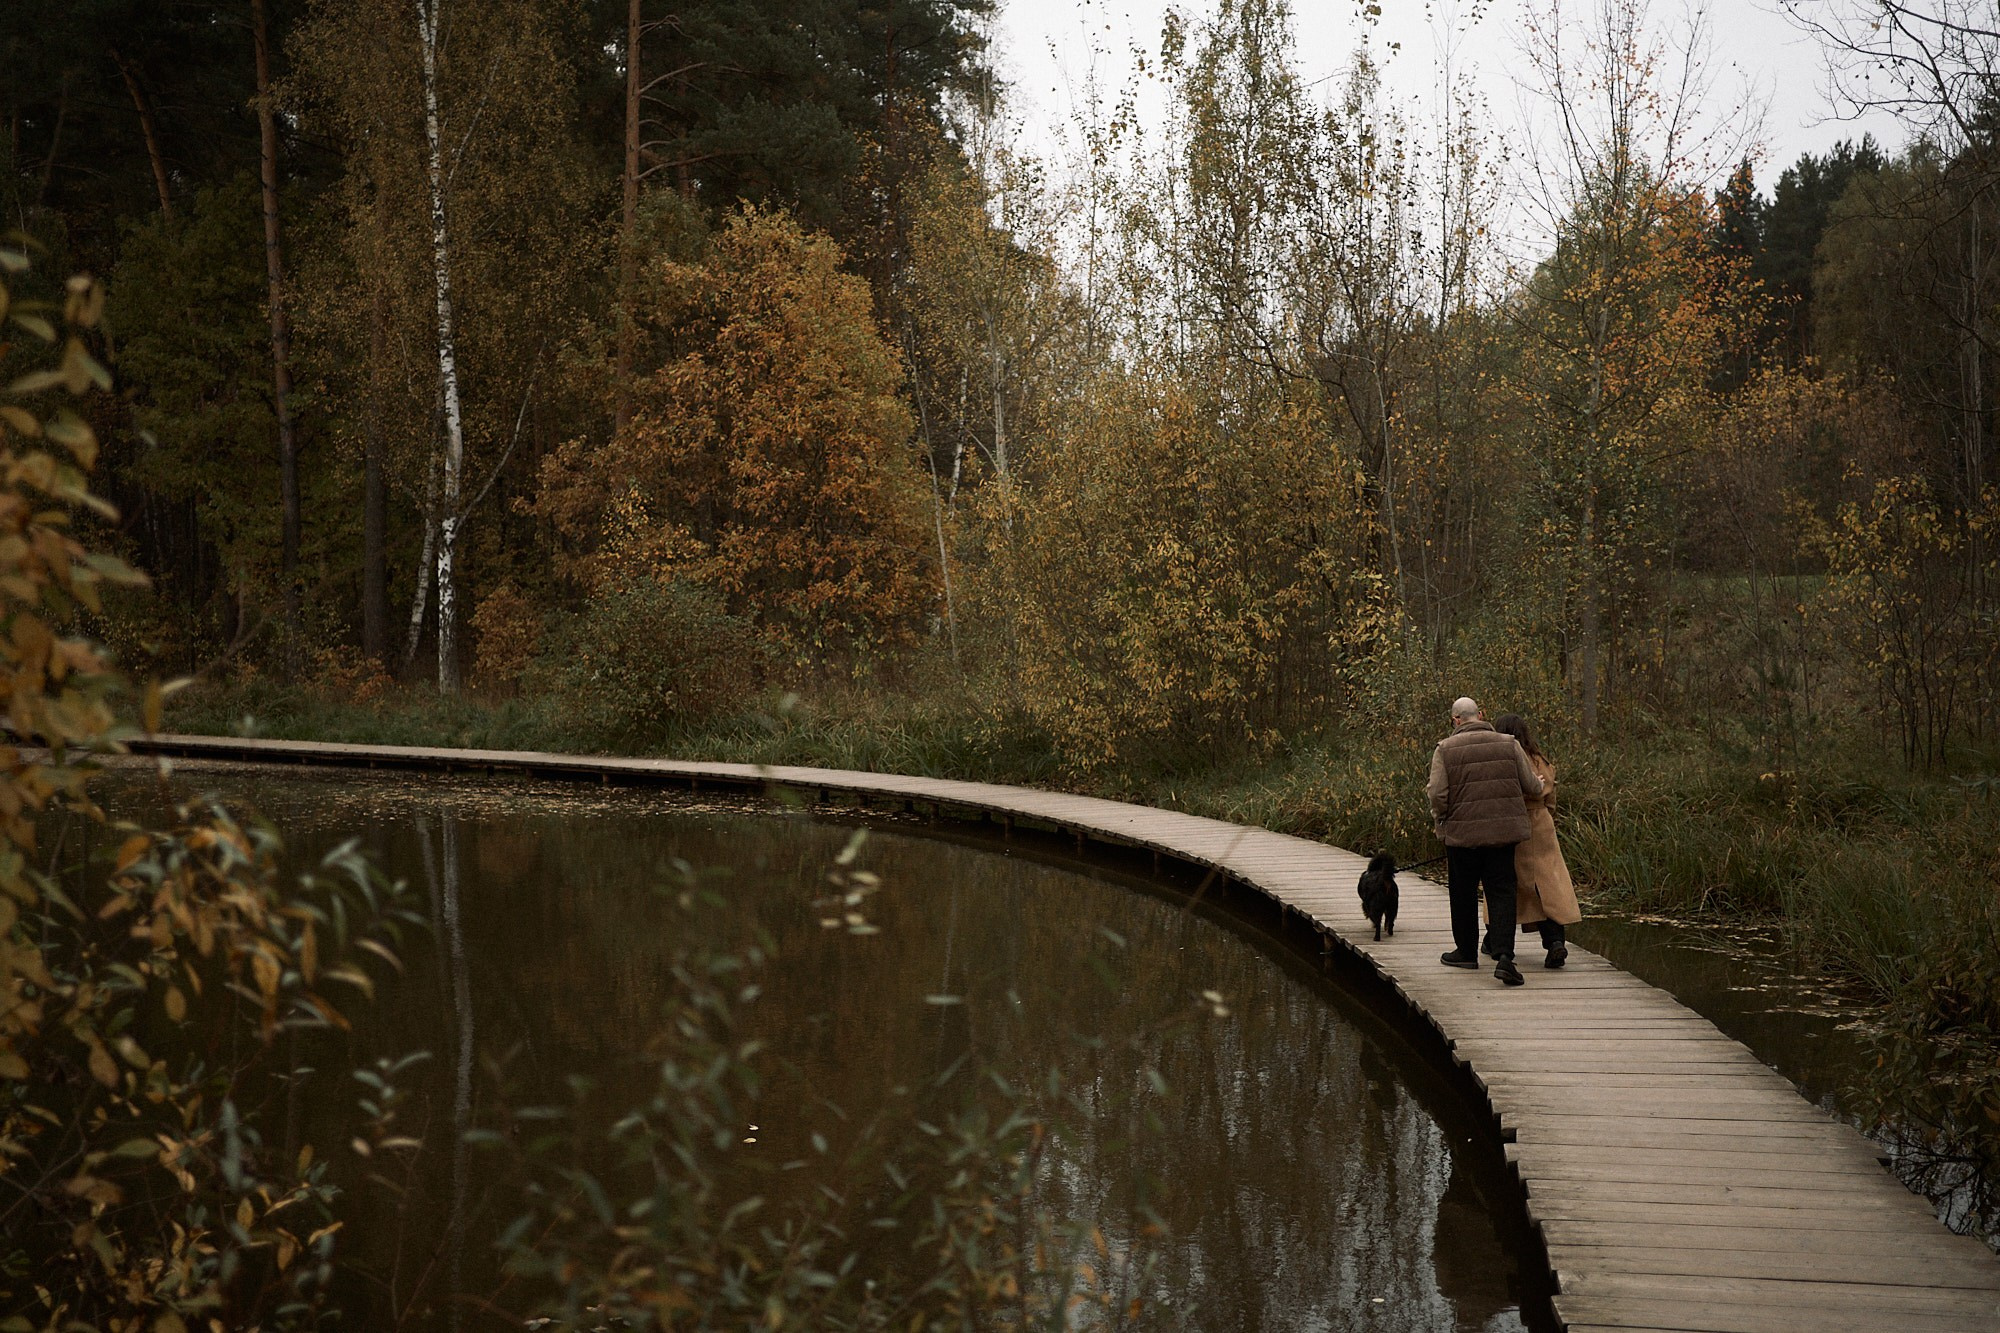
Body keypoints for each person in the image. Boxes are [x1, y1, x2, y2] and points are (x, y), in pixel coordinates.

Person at [1428, 696, 1543, 986]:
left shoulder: (1445, 749)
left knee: (1463, 894)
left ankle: (1466, 952)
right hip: (1503, 835)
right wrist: (1540, 785)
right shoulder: (1509, 743)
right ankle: (1504, 957)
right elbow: (1530, 786)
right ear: (1481, 714)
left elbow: (1437, 795)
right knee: (1502, 892)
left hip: (1462, 837)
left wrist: (1441, 820)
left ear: (1455, 720)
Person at [1492, 713, 1580, 968]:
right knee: (1547, 885)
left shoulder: (1503, 760)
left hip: (1512, 825)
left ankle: (1493, 940)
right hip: (1541, 825)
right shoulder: (1541, 762)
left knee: (1504, 884)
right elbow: (1551, 801)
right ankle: (1555, 942)